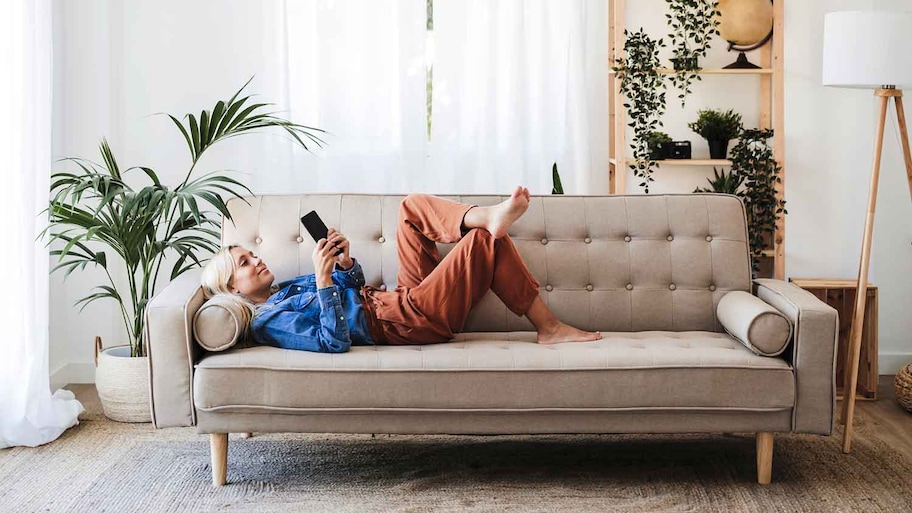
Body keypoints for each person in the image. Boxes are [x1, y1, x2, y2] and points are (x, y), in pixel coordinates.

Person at [200, 186, 602, 353]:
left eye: (251, 254)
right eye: (245, 263)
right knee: (484, 242)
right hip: (401, 323)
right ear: (232, 288)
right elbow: (333, 342)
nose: (257, 259)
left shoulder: (284, 290)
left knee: (410, 208)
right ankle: (549, 328)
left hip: (399, 302)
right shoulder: (268, 321)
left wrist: (343, 263)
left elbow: (350, 287)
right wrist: (324, 282)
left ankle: (485, 214)